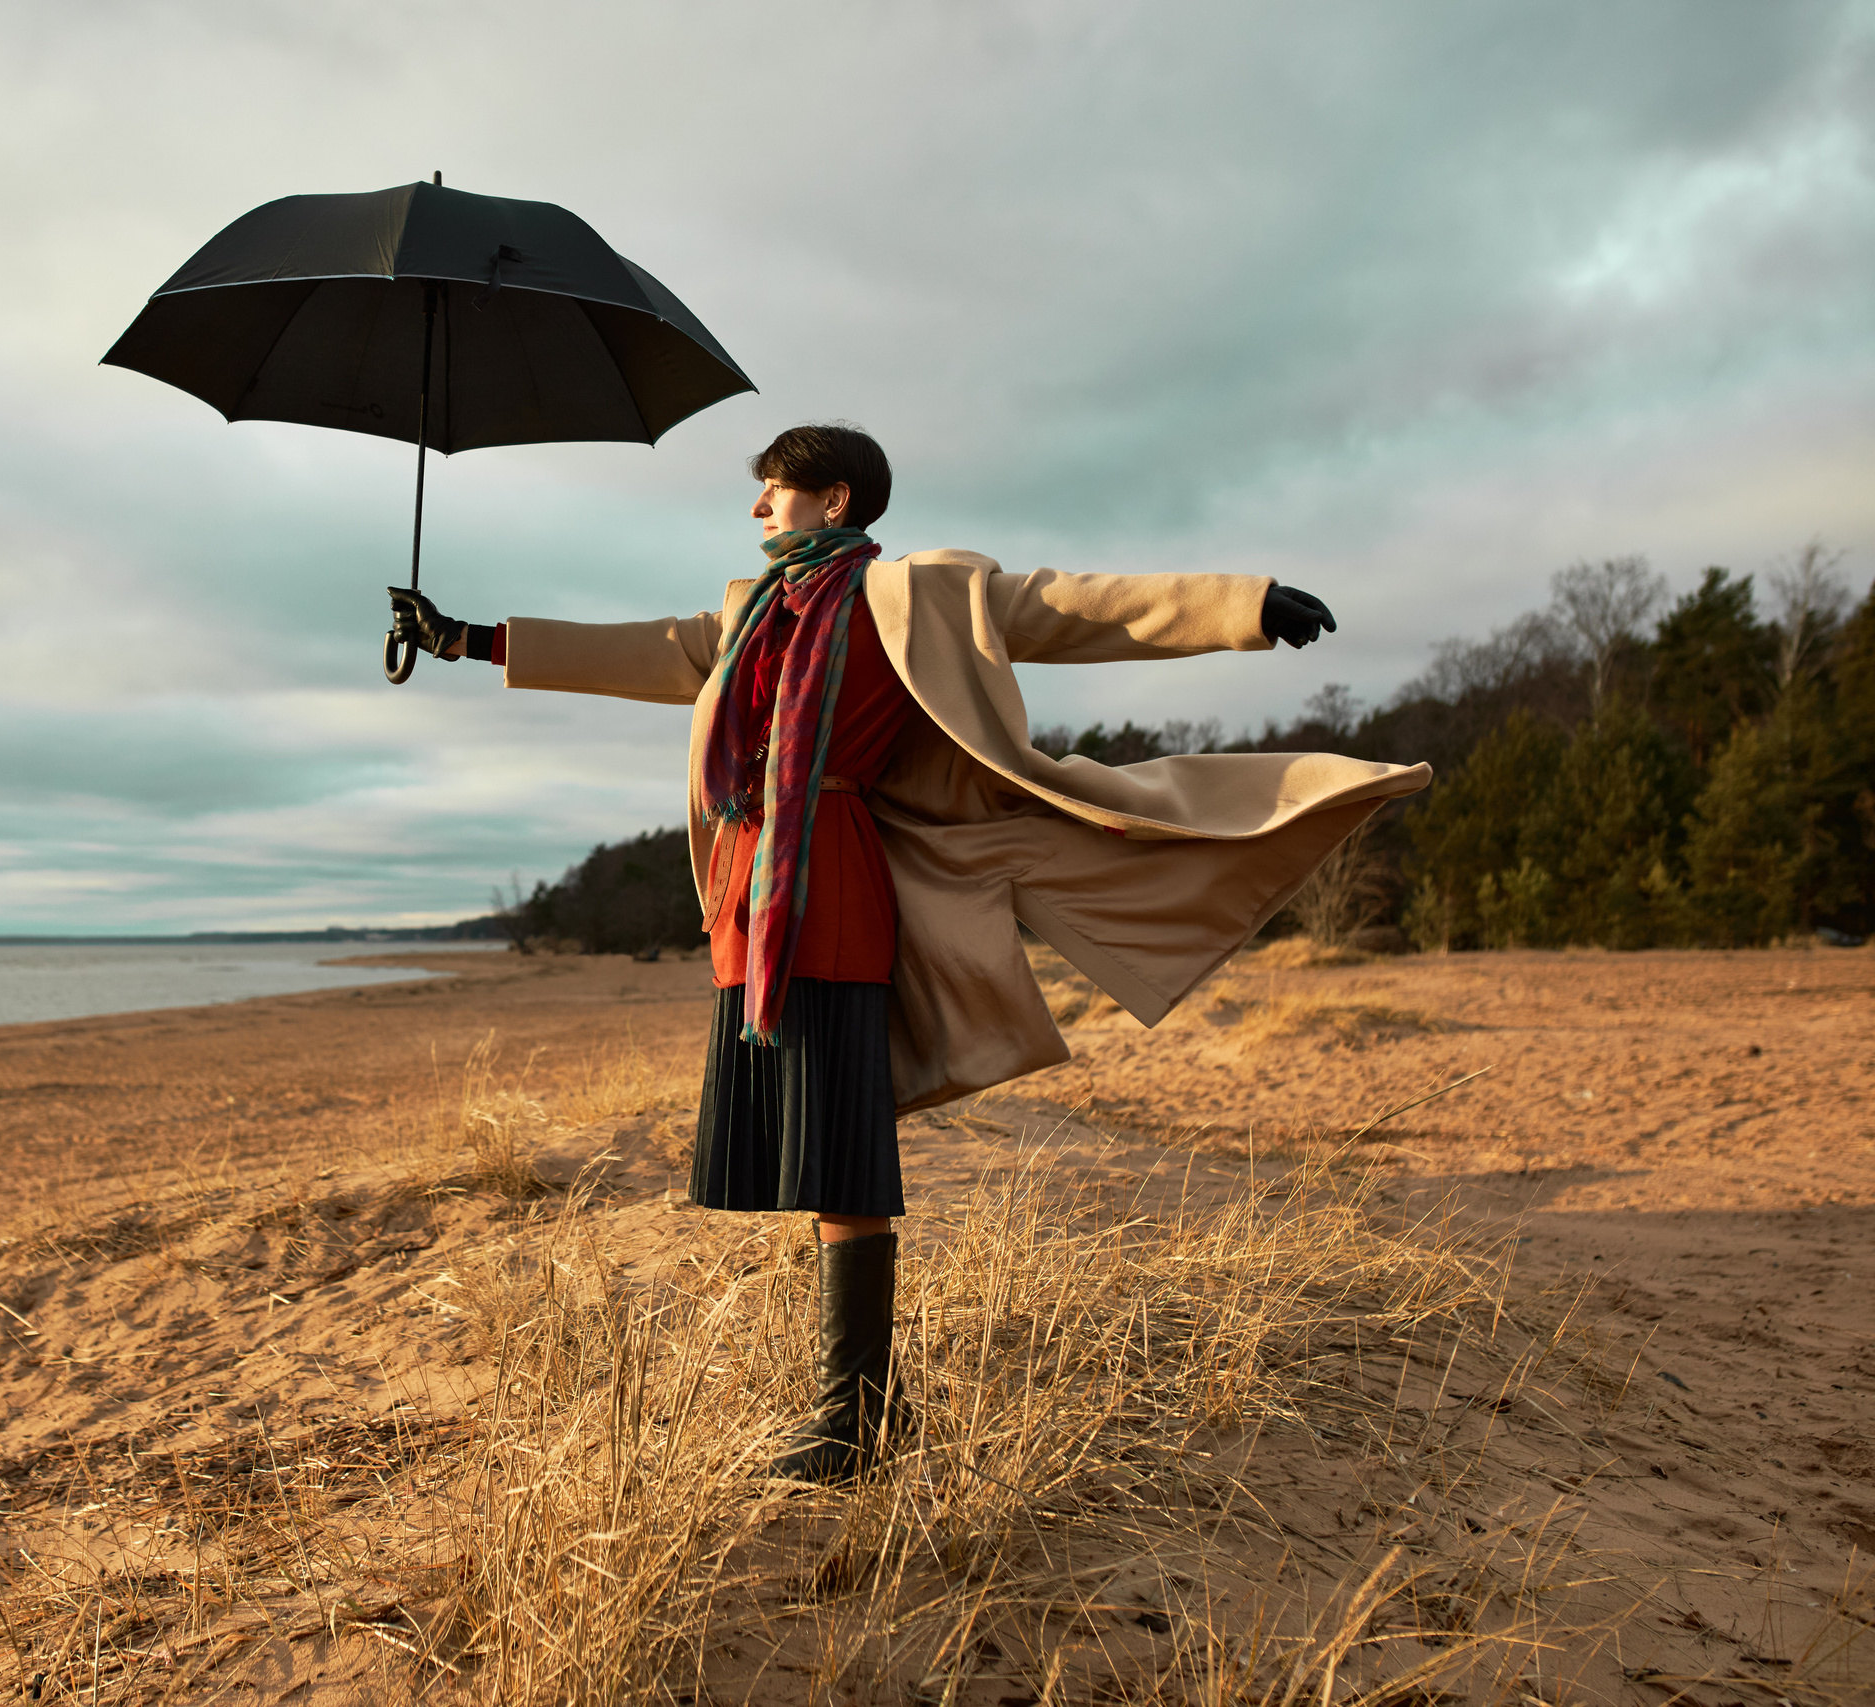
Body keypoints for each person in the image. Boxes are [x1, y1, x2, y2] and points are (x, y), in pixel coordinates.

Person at [389, 423, 1427, 1485]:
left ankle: (857, 1414)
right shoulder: (751, 615)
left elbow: (1074, 606)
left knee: (843, 1153)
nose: (758, 508)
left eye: (774, 489)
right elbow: (642, 651)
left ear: (835, 499)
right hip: (750, 901)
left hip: (833, 887)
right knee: (810, 1152)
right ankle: (853, 1403)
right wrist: (467, 638)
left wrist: (1247, 606)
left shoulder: (914, 596)